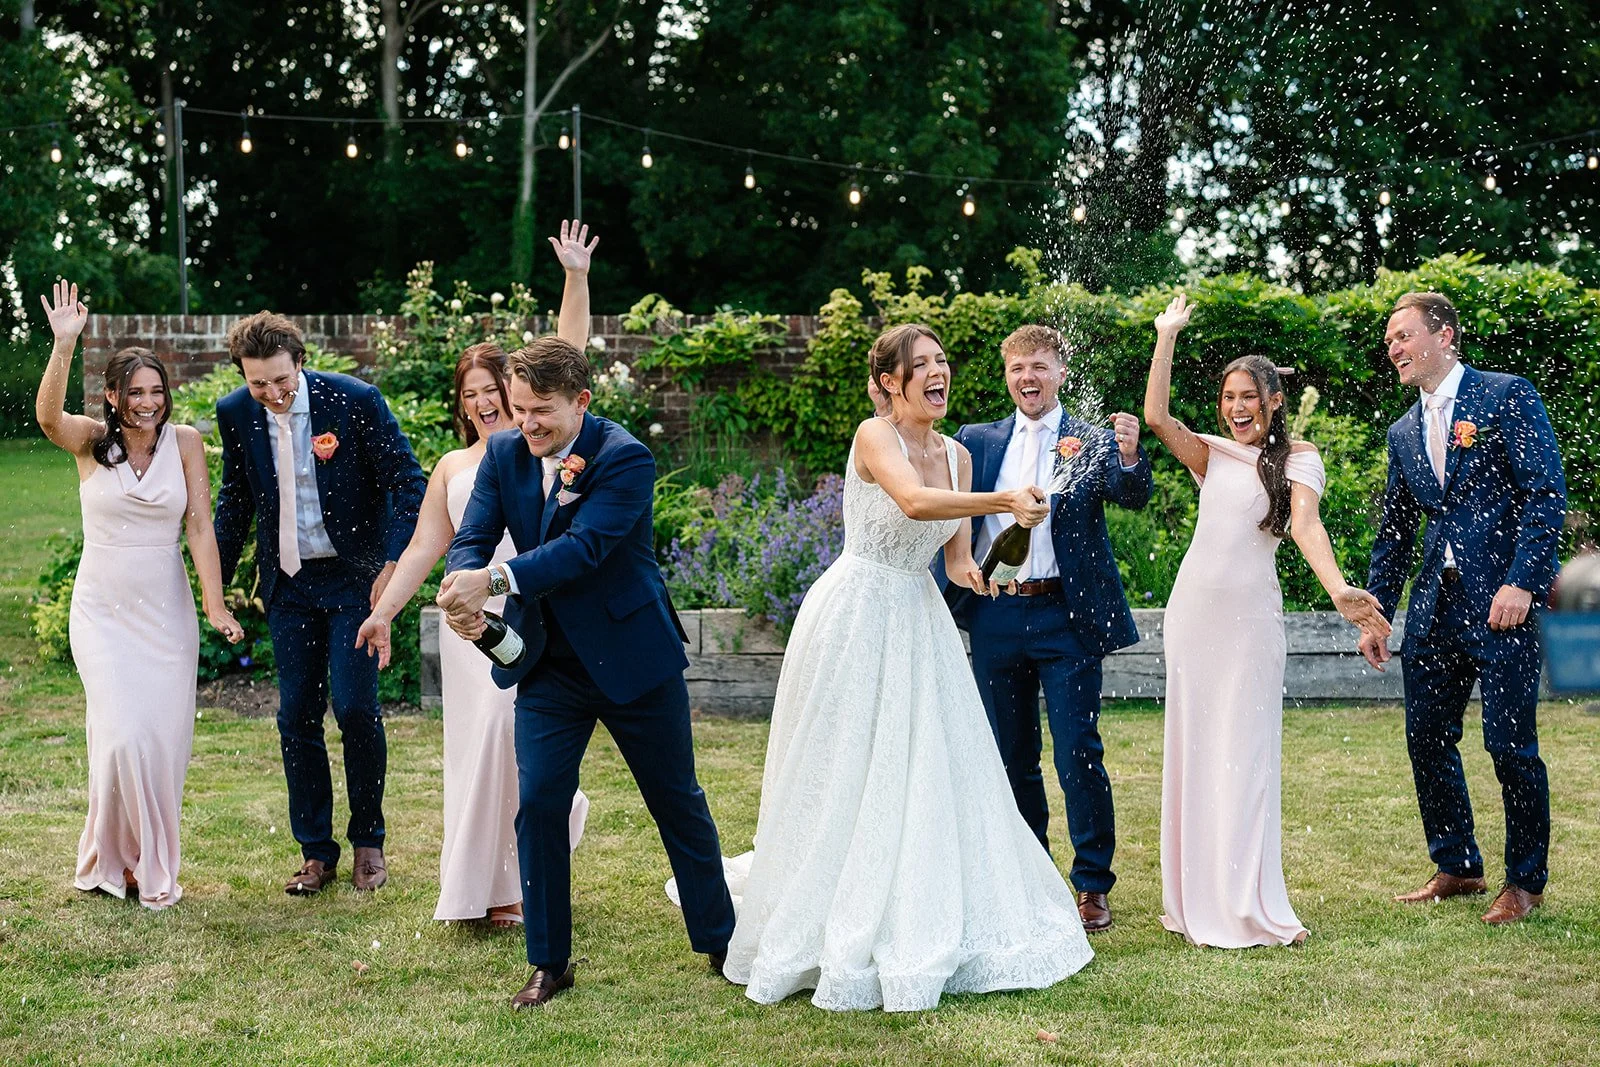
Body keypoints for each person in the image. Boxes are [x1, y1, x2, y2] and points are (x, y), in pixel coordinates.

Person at [721, 324, 1093, 1013]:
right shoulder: (874, 436)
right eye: (920, 365)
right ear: (891, 383)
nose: (937, 371)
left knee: (926, 765)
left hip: (919, 616)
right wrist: (1005, 501)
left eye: (943, 360)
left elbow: (953, 561)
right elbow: (914, 504)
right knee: (850, 766)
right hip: (857, 611)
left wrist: (988, 571)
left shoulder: (957, 454)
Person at [437, 335, 735, 1009]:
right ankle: (549, 962)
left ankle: (721, 939)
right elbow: (475, 530)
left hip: (634, 659)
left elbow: (584, 549)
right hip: (548, 664)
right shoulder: (505, 453)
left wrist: (494, 577)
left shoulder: (625, 456)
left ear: (582, 400)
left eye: (541, 410)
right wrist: (462, 578)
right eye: (518, 409)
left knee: (675, 800)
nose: (526, 424)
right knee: (538, 800)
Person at [356, 222, 598, 927]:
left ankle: (520, 883)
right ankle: (486, 887)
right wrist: (386, 611)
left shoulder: (536, 448)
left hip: (529, 610)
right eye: (470, 394)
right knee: (480, 749)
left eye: (490, 389)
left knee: (512, 741)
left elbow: (570, 356)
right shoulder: (454, 469)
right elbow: (427, 545)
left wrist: (575, 278)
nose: (482, 402)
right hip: (471, 626)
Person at [1143, 293, 1390, 948]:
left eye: (1247, 395)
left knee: (1245, 758)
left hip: (1252, 623)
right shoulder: (1213, 455)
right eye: (1228, 396)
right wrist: (1166, 335)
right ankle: (1194, 901)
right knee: (1195, 752)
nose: (1236, 407)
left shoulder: (1300, 458)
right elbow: (1156, 415)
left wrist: (1338, 588)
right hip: (1193, 614)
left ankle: (1247, 903)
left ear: (1273, 399)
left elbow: (1305, 523)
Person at [1360, 291, 1566, 925]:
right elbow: (1395, 530)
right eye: (1389, 338)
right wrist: (1376, 612)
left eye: (1404, 335)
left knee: (1509, 745)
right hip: (1436, 606)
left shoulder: (1505, 395)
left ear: (1444, 336)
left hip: (1502, 604)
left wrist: (1523, 581)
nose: (1393, 346)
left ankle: (1524, 882)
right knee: (1426, 736)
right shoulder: (1402, 430)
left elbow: (1544, 493)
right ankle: (1458, 865)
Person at [35, 279, 242, 910]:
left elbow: (200, 525)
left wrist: (215, 603)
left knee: (158, 745)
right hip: (103, 612)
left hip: (165, 611)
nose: (148, 403)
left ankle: (141, 864)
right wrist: (64, 344)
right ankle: (112, 858)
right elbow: (46, 417)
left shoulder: (185, 444)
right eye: (136, 393)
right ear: (113, 396)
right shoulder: (92, 441)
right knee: (122, 735)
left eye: (156, 392)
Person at [944, 324, 1152, 933]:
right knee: (1011, 755)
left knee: (1078, 753)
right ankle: (1028, 875)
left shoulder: (1090, 438)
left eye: (1038, 367)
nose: (1027, 379)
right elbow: (946, 511)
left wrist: (1133, 452)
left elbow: (1130, 493)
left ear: (1060, 372)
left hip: (1066, 615)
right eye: (1016, 370)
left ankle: (1091, 885)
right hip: (996, 614)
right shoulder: (975, 442)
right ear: (1006, 377)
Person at [213, 310, 428, 896]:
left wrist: (391, 565)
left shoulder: (354, 399)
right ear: (244, 377)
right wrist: (215, 586)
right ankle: (315, 852)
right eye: (259, 383)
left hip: (356, 580)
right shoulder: (236, 414)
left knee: (355, 708)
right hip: (288, 585)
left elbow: (409, 482)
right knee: (294, 715)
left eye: (281, 380)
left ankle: (368, 841)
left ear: (299, 363)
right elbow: (235, 499)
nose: (273, 394)